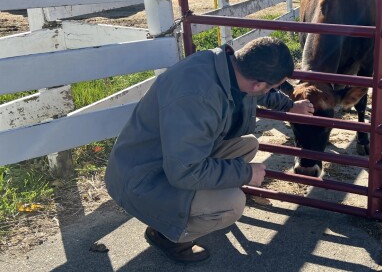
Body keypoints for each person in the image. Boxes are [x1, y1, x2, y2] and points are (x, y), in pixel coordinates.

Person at [105, 37, 314, 264]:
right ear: (258, 84)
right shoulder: (198, 98)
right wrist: (247, 174)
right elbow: (185, 171)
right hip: (140, 180)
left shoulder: (225, 66)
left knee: (248, 144)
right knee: (232, 204)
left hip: (163, 159)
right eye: (274, 86)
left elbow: (262, 92)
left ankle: (198, 205)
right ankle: (165, 234)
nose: (271, 91)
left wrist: (291, 105)